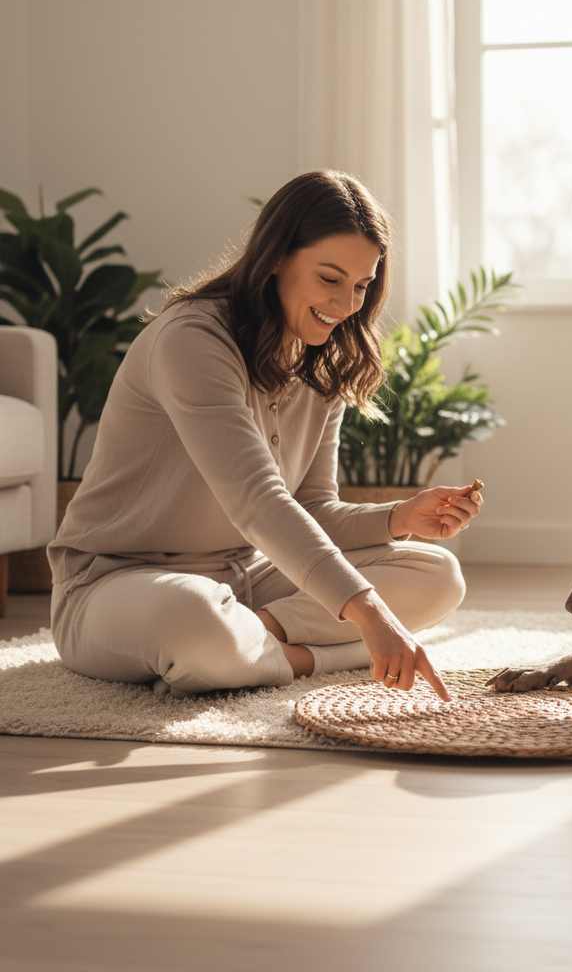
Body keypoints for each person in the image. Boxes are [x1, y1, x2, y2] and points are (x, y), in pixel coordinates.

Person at [48, 169, 481, 701]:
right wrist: (368, 615)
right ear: (277, 257)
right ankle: (281, 653)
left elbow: (312, 509)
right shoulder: (192, 341)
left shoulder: (324, 360)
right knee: (195, 619)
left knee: (437, 574)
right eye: (329, 278)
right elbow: (257, 502)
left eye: (362, 286)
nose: (347, 305)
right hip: (116, 583)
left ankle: (249, 645)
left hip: (251, 578)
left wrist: (399, 517)